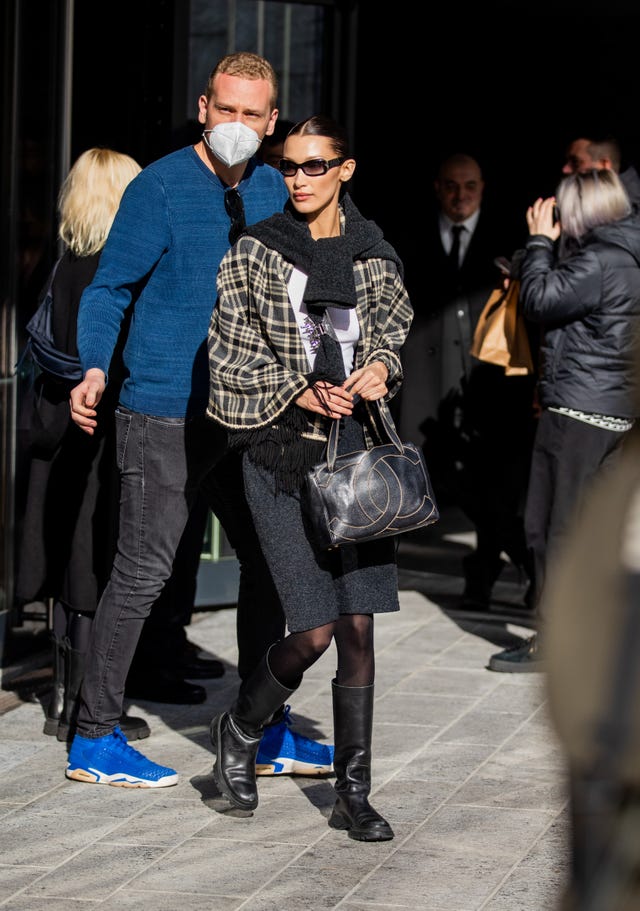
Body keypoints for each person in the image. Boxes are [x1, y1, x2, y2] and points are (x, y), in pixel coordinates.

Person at [64, 52, 333, 788]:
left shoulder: (280, 188)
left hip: (248, 412)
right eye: (228, 109)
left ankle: (263, 722)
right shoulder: (159, 186)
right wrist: (94, 366)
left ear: (272, 121)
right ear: (204, 107)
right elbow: (109, 289)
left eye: (255, 114)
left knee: (273, 560)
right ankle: (94, 734)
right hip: (163, 408)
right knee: (144, 567)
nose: (239, 125)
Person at [206, 114, 413, 841]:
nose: (299, 178)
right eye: (289, 165)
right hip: (282, 455)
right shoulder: (255, 251)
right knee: (317, 629)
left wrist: (380, 365)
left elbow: (391, 321)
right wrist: (299, 389)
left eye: (315, 165)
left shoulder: (372, 251)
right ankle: (242, 724)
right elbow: (228, 360)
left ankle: (354, 794)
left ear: (345, 170)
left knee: (359, 625)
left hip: (356, 459)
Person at [15, 147, 150, 744]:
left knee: (70, 564)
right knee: (95, 565)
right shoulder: (114, 275)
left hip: (55, 432)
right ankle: (92, 709)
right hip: (99, 430)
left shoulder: (62, 262)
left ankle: (63, 701)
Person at [488, 168, 640, 672]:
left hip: (578, 411)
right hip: (611, 409)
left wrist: (537, 242)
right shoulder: (626, 252)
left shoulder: (599, 258)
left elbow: (539, 300)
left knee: (550, 527)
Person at [399, 152, 535, 609]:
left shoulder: (508, 239)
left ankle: (495, 569)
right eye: (452, 186)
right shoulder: (411, 237)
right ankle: (502, 566)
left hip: (488, 391)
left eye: (470, 186)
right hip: (424, 387)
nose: (461, 196)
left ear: (483, 188)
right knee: (435, 482)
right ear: (438, 188)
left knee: (493, 490)